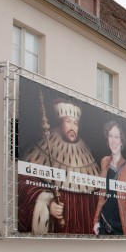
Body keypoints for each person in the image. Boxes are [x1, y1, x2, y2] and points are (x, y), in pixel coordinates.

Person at [18, 98, 100, 234]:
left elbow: (95, 198)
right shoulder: (44, 145)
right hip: (57, 228)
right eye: (68, 122)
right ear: (60, 122)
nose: (73, 127)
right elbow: (23, 183)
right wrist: (47, 202)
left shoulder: (87, 153)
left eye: (75, 123)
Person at [93, 120, 126, 236]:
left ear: (121, 141)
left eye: (116, 137)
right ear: (107, 140)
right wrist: (96, 221)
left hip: (119, 229)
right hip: (103, 224)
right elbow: (102, 196)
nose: (113, 141)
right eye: (110, 136)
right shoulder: (104, 162)